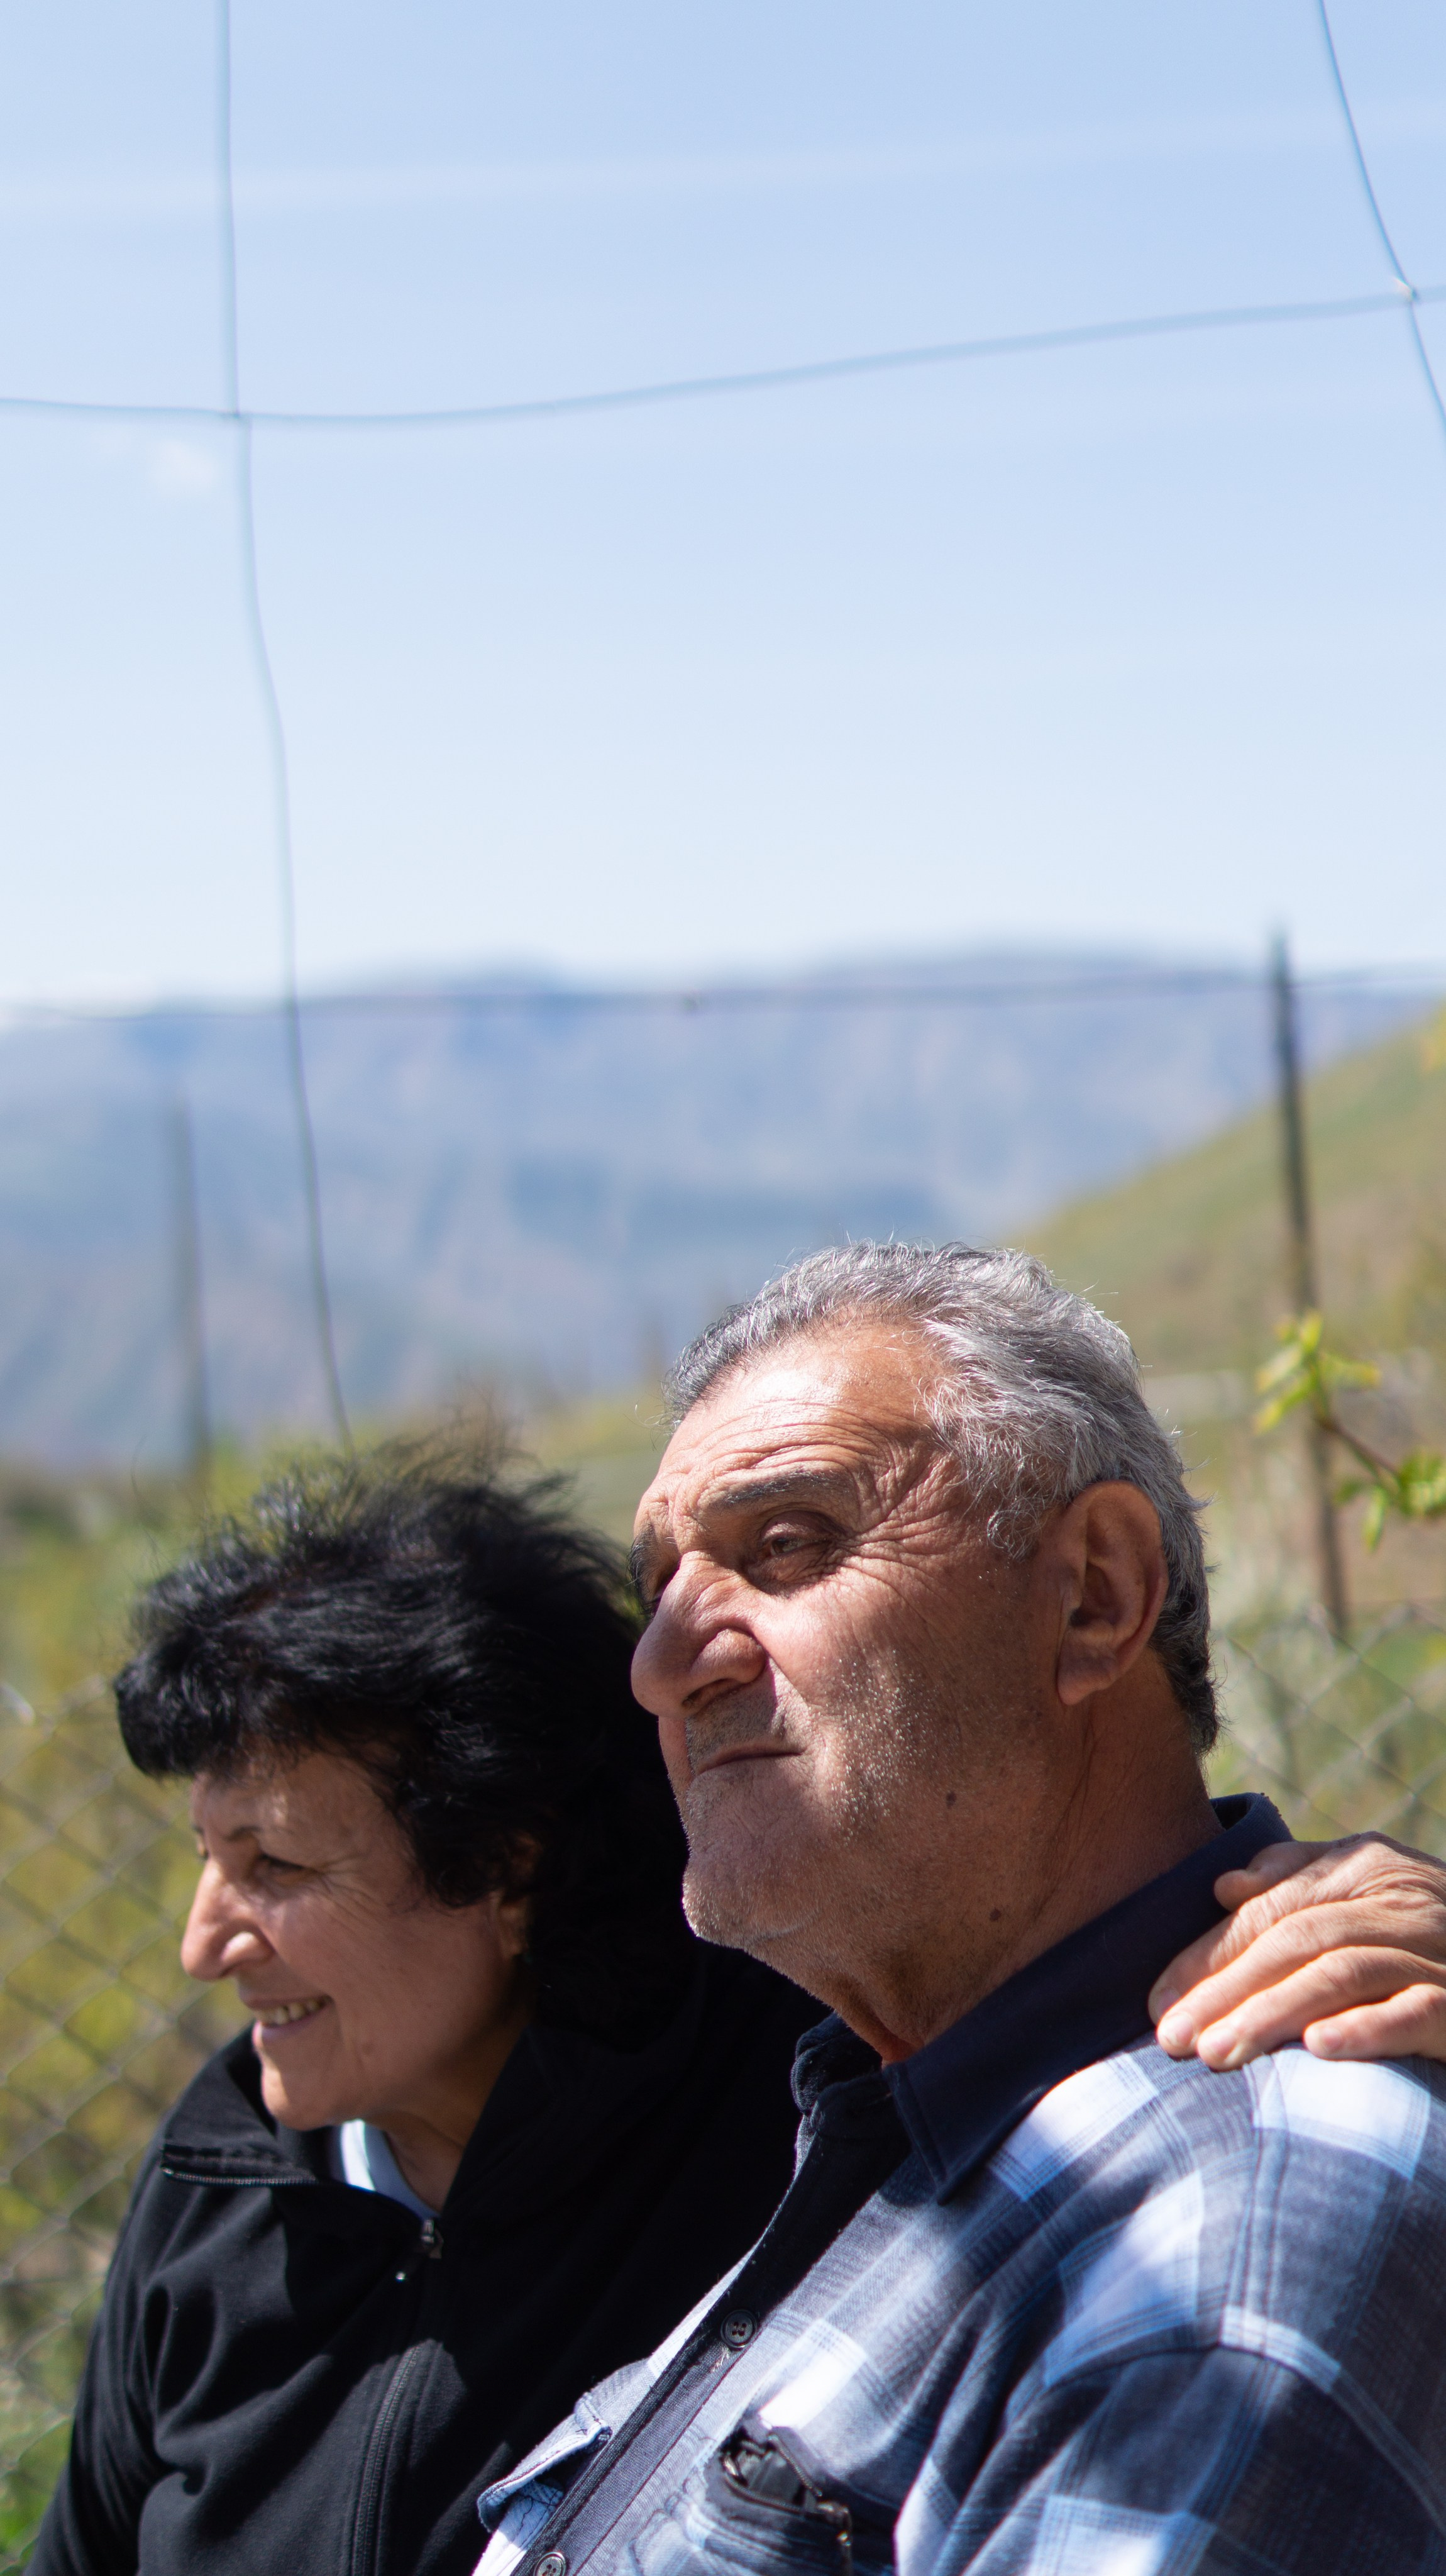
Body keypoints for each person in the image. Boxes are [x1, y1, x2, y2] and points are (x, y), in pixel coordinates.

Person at [477, 1244, 1446, 2576]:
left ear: (1093, 1595)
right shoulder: (903, 2123)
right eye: (660, 1586)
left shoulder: (1246, 2205)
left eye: (786, 1543)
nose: (658, 1664)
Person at [30, 1446, 818, 2576]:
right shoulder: (220, 2184)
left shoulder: (786, 2130)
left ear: (506, 1865)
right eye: (208, 1856)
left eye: (278, 1866)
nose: (203, 1948)